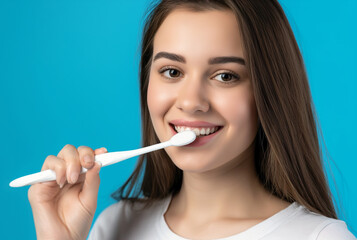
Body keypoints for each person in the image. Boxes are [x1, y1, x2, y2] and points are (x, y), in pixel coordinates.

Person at [27, 0, 356, 239]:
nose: (191, 102)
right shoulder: (115, 226)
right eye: (172, 71)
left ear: (269, 91)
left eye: (225, 76)